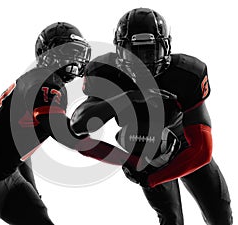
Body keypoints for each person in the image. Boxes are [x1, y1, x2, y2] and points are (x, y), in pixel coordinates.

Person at [0, 22, 140, 225]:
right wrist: (126, 158)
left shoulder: (45, 82)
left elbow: (21, 149)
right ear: (47, 53)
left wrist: (31, 189)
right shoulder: (43, 81)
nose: (74, 59)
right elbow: (69, 136)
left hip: (8, 175)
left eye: (77, 52)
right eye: (68, 51)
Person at [70, 8, 233, 225]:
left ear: (165, 47)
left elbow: (202, 150)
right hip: (146, 153)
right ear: (120, 51)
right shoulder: (107, 72)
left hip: (186, 147)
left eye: (150, 51)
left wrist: (153, 179)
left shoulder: (185, 74)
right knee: (171, 219)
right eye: (134, 52)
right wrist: (126, 98)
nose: (142, 61)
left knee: (220, 214)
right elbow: (78, 126)